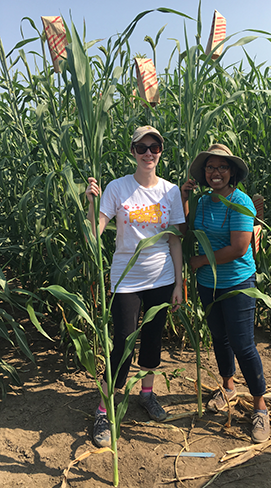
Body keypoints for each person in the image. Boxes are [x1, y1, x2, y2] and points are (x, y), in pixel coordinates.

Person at [86, 125, 185, 447]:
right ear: (133, 151)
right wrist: (91, 203)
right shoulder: (117, 188)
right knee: (123, 342)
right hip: (126, 276)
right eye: (141, 148)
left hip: (162, 276)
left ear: (160, 151)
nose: (148, 153)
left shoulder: (170, 191)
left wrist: (179, 284)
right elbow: (95, 232)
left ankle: (147, 394)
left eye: (154, 147)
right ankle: (104, 409)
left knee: (154, 339)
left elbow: (174, 241)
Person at [181, 143, 270, 444]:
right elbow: (185, 231)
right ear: (204, 173)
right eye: (210, 168)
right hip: (209, 283)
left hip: (237, 283)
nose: (215, 173)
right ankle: (228, 387)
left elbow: (239, 248)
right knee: (219, 337)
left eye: (221, 167)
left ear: (231, 172)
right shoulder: (203, 202)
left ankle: (260, 406)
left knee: (243, 345)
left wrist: (200, 260)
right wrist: (184, 197)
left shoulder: (241, 201)